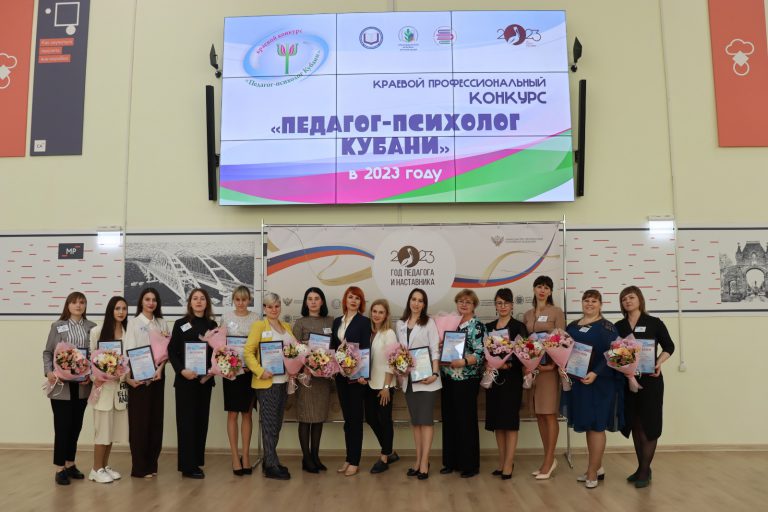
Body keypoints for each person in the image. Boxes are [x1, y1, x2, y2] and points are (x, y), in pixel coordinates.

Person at [562, 289, 624, 489]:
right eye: (586, 300)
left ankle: (591, 472)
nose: (589, 304)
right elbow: (563, 350)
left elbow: (617, 353)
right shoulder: (572, 326)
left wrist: (596, 372)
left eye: (594, 301)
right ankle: (597, 467)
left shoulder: (607, 327)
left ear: (600, 304)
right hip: (579, 383)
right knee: (589, 425)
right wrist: (562, 367)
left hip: (600, 383)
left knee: (597, 426)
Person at [616, 286, 675, 488]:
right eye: (624, 299)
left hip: (651, 380)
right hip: (627, 381)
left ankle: (644, 471)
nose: (627, 301)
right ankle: (642, 467)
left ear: (639, 299)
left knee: (649, 425)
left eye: (631, 297)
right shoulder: (618, 326)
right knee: (635, 424)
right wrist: (624, 368)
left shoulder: (654, 322)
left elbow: (669, 346)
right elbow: (615, 352)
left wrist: (658, 362)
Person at [43, 292, 96, 485]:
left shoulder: (92, 327)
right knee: (62, 427)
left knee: (76, 426)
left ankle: (70, 463)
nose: (78, 305)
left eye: (82, 302)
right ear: (68, 305)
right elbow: (48, 352)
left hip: (82, 385)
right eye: (74, 302)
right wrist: (49, 371)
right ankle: (60, 468)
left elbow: (94, 355)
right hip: (61, 386)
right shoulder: (58, 326)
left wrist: (91, 374)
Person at [168, 288, 217, 479]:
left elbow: (217, 353)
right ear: (190, 303)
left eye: (202, 298)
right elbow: (172, 351)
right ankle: (187, 466)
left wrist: (210, 373)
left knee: (201, 422)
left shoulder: (212, 325)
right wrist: (182, 370)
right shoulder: (181, 324)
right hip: (185, 381)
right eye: (195, 298)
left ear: (207, 303)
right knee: (186, 422)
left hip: (205, 381)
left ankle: (196, 462)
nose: (198, 301)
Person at [244, 292, 293, 480]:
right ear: (264, 308)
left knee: (277, 423)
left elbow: (294, 351)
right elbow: (248, 352)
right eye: (270, 306)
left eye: (277, 306)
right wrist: (260, 371)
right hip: (266, 382)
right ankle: (271, 465)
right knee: (269, 424)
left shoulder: (286, 326)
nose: (274, 309)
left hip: (284, 381)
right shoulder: (259, 326)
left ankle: (270, 460)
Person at [522, 275, 566, 479]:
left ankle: (550, 460)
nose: (542, 290)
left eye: (546, 287)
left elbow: (561, 341)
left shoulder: (556, 312)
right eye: (539, 286)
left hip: (548, 370)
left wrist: (552, 365)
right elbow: (525, 343)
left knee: (549, 414)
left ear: (550, 292)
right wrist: (527, 364)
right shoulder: (527, 314)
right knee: (539, 414)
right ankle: (547, 459)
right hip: (533, 370)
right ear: (534, 289)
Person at [395, 288, 441, 480]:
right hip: (409, 380)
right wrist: (399, 369)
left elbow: (435, 350)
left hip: (426, 379)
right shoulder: (400, 324)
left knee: (425, 421)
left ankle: (425, 462)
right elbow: (399, 352)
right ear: (409, 301)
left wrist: (435, 373)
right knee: (416, 423)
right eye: (414, 299)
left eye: (420, 300)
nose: (416, 303)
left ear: (424, 304)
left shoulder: (429, 322)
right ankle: (418, 460)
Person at [440, 289, 486, 478]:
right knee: (449, 420)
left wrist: (464, 361)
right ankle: (450, 462)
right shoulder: (451, 324)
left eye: (468, 302)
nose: (464, 304)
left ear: (474, 305)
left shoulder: (477, 326)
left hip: (467, 380)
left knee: (466, 422)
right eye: (460, 301)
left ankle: (469, 465)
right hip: (448, 378)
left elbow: (481, 354)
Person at [123, 287, 168, 478]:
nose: (151, 303)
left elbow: (166, 352)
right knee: (140, 422)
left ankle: (152, 464)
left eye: (154, 300)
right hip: (139, 376)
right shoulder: (133, 323)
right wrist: (129, 378)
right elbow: (128, 351)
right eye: (147, 299)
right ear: (141, 301)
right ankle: (139, 467)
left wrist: (160, 369)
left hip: (158, 375)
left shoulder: (162, 323)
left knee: (155, 420)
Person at [485, 288, 528, 480]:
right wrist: (488, 363)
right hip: (494, 380)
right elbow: (484, 352)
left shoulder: (519, 327)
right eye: (499, 303)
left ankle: (509, 463)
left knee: (509, 423)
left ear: (512, 305)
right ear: (495, 305)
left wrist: (508, 364)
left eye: (506, 303)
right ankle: (502, 462)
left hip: (512, 380)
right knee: (498, 423)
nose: (502, 306)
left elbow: (525, 354)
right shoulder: (489, 327)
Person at [291, 287, 334, 473]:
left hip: (323, 379)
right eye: (310, 298)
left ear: (322, 301)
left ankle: (315, 456)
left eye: (317, 298)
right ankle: (306, 458)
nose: (314, 301)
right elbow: (294, 351)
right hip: (306, 378)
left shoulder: (331, 321)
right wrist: (307, 367)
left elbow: (335, 347)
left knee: (318, 419)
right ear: (306, 302)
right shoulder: (300, 323)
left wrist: (327, 365)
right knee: (306, 418)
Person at [330, 286, 371, 477]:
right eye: (351, 297)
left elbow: (365, 349)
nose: (353, 301)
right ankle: (348, 458)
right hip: (340, 376)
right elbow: (333, 347)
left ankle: (355, 461)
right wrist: (330, 367)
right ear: (345, 299)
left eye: (357, 298)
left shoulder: (364, 322)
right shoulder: (337, 321)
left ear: (360, 302)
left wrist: (363, 374)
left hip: (356, 378)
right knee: (347, 420)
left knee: (355, 420)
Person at [88, 296, 129, 484]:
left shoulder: (128, 333)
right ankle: (95, 469)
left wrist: (124, 375)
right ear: (111, 310)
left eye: (124, 309)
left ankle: (104, 466)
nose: (121, 312)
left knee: (112, 431)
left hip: (119, 388)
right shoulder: (97, 331)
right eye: (117, 308)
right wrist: (95, 378)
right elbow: (89, 360)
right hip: (103, 388)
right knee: (102, 431)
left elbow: (129, 360)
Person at [220, 286, 258, 476]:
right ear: (233, 300)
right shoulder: (225, 317)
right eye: (238, 299)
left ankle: (246, 456)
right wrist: (227, 364)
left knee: (247, 414)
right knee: (233, 414)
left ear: (249, 300)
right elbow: (220, 345)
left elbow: (259, 345)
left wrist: (252, 364)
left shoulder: (256, 318)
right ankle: (235, 457)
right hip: (232, 372)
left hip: (249, 372)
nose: (241, 303)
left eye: (244, 299)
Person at [366, 299, 400, 474]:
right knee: (371, 419)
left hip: (384, 385)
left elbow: (392, 362)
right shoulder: (369, 332)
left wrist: (386, 387)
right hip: (369, 383)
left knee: (385, 420)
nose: (377, 315)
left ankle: (384, 457)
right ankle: (390, 451)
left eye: (381, 312)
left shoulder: (389, 333)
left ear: (386, 315)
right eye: (374, 311)